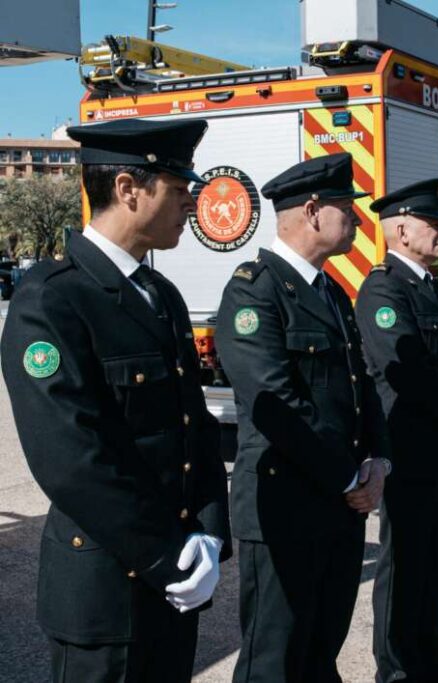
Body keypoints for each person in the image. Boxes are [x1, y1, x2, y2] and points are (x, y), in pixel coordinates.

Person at [0, 119, 231, 682]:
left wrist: (209, 531)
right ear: (129, 189)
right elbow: (73, 460)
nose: (190, 206)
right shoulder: (53, 302)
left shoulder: (159, 295)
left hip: (173, 577)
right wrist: (163, 555)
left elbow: (191, 425)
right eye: (178, 191)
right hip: (106, 591)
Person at [217, 154, 392, 682]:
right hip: (285, 509)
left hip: (339, 507)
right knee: (275, 660)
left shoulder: (331, 290)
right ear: (314, 211)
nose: (358, 222)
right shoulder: (255, 289)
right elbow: (278, 405)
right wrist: (348, 477)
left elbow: (362, 385)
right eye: (348, 209)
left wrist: (378, 460)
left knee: (321, 650)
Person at [356, 179, 438, 683]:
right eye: (434, 225)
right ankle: (397, 669)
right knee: (405, 563)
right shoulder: (384, 288)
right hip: (411, 447)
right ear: (402, 227)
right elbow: (407, 372)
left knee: (434, 563)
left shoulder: (427, 284)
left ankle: (430, 660)